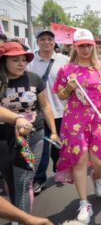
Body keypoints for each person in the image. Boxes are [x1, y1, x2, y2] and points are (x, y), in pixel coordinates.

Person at [52, 29, 101, 224]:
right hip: (74, 121)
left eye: (88, 45)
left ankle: (97, 176)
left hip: (99, 119)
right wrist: (69, 88)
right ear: (75, 47)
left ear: (93, 47)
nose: (85, 49)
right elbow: (60, 95)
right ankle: (84, 203)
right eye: (81, 46)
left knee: (98, 161)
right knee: (79, 160)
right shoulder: (66, 69)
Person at [0, 41, 58, 216]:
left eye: (24, 60)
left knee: (24, 181)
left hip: (33, 136)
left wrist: (54, 132)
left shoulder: (34, 79)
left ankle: (22, 220)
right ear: (3, 61)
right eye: (15, 60)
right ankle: (17, 214)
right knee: (10, 181)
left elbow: (45, 106)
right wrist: (16, 119)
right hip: (4, 138)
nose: (21, 64)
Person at [27, 30, 69, 195]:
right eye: (42, 39)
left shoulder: (64, 60)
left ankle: (59, 167)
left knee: (59, 146)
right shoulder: (30, 62)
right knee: (41, 148)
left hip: (61, 110)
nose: (46, 42)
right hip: (38, 113)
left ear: (54, 42)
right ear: (37, 42)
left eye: (49, 39)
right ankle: (39, 179)